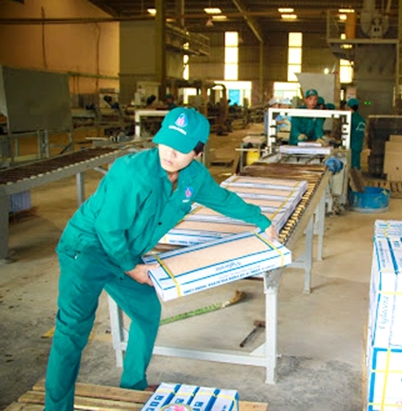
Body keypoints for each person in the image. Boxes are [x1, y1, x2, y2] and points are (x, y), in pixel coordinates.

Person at [45, 107, 277, 410]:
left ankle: (133, 385)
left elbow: (223, 200)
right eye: (166, 143)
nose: (169, 153)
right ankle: (56, 407)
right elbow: (109, 228)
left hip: (126, 252)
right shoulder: (131, 172)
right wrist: (131, 268)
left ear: (198, 152)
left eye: (180, 149)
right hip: (87, 250)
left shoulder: (194, 177)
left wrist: (261, 220)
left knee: (146, 312)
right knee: (73, 330)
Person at [347, 98, 366, 169]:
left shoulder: (349, 118)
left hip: (350, 143)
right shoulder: (361, 119)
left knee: (350, 164)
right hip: (358, 144)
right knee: (356, 162)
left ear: (349, 106)